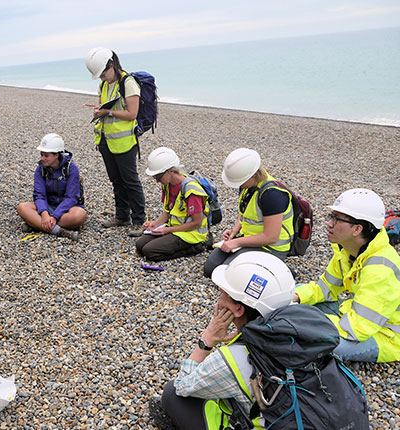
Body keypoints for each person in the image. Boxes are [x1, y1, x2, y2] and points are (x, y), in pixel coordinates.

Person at [150, 252, 296, 429]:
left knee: (172, 393)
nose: (219, 293)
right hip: (305, 418)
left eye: (223, 291)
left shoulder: (233, 358)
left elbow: (183, 386)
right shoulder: (303, 329)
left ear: (238, 309)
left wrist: (208, 339)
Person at [293, 188, 400, 362]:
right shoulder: (347, 250)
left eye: (336, 219)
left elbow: (357, 328)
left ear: (357, 229)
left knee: (329, 347)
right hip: (355, 314)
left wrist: (305, 320)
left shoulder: (381, 269)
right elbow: (325, 289)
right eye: (331, 216)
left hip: (386, 335)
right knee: (294, 293)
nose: (328, 223)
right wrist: (296, 298)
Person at [204, 148, 293, 278]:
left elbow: (271, 237)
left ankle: (280, 271)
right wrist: (234, 232)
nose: (238, 185)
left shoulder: (272, 194)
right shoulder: (247, 185)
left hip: (271, 247)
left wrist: (237, 242)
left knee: (228, 274)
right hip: (248, 239)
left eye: (241, 181)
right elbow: (244, 212)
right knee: (210, 268)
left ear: (254, 174)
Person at [85, 47, 146, 237]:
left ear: (111, 65)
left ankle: (139, 220)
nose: (102, 78)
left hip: (125, 142)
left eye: (103, 74)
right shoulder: (103, 85)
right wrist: (100, 111)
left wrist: (107, 112)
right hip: (105, 139)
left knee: (130, 180)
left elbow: (132, 114)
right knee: (116, 180)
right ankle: (121, 215)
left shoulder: (129, 83)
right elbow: (104, 107)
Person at [136, 147, 210, 261]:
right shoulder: (167, 184)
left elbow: (197, 223)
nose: (157, 181)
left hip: (192, 233)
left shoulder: (191, 190)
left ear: (171, 171)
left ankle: (197, 247)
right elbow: (168, 211)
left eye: (159, 177)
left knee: (150, 252)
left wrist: (167, 230)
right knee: (140, 245)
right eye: (155, 177)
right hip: (174, 228)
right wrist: (155, 224)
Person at [16, 134, 86, 241]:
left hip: (67, 209)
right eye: (41, 154)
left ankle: (36, 225)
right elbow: (39, 195)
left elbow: (71, 198)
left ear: (56, 155)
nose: (42, 158)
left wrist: (55, 216)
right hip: (48, 206)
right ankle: (60, 231)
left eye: (46, 155)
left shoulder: (71, 169)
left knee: (80, 215)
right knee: (22, 207)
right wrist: (44, 213)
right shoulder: (40, 169)